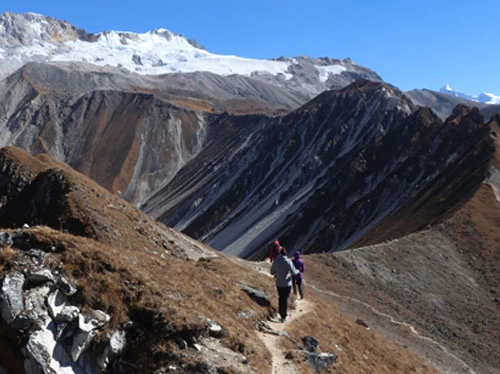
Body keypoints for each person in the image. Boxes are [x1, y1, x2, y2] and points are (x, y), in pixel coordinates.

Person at [270, 247, 299, 322]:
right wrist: (298, 271)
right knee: (285, 299)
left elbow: (272, 272)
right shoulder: (288, 261)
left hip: (279, 283)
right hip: (287, 283)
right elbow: (293, 272)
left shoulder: (276, 261)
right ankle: (284, 316)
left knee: (280, 298)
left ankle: (281, 313)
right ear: (286, 253)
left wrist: (278, 272)